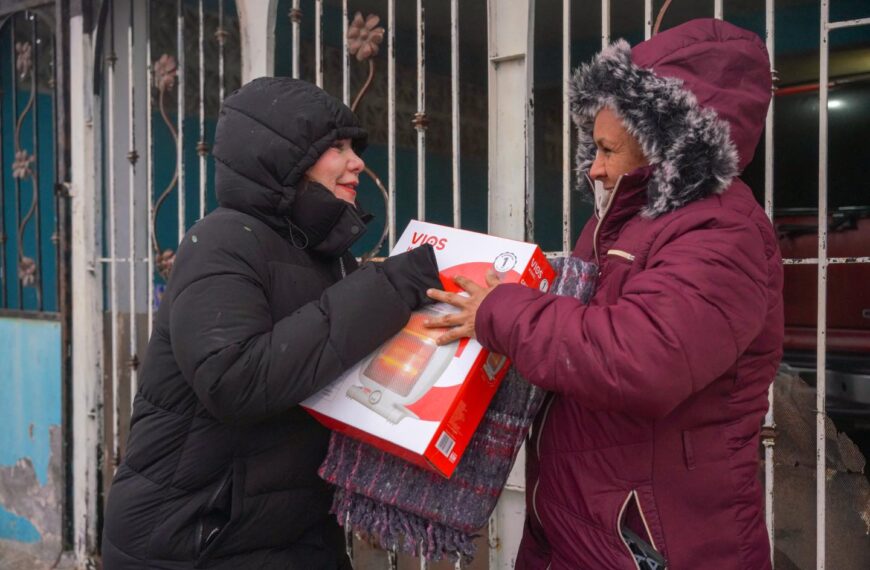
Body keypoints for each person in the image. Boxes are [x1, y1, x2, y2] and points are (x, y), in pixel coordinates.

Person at [427, 19, 782, 569]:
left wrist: (501, 311)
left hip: (656, 534)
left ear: (667, 140)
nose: (593, 168)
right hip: (584, 518)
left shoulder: (722, 231)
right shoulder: (621, 222)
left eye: (607, 148)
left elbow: (641, 358)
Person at [102, 77, 442, 569]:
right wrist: (385, 289)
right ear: (286, 157)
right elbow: (235, 378)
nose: (358, 163)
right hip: (194, 538)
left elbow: (331, 367)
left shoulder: (325, 254)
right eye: (338, 147)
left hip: (289, 529)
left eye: (355, 147)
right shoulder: (221, 242)